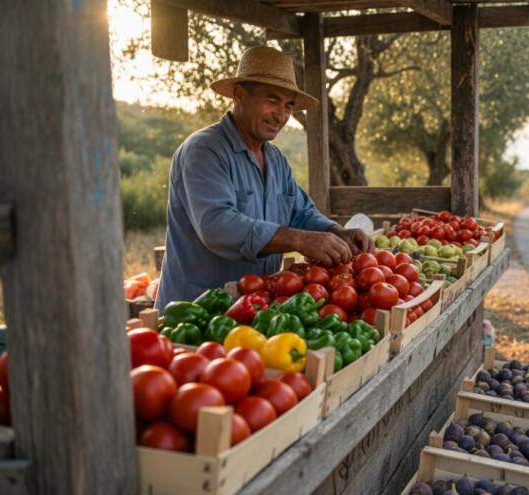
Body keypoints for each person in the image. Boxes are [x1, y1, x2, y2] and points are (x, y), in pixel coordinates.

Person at [155, 46, 372, 310]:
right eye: (272, 101)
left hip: (253, 308)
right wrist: (300, 240)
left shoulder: (276, 159)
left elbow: (301, 213)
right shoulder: (204, 151)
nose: (281, 115)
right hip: (196, 312)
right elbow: (217, 225)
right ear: (239, 96)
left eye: (288, 106)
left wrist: (336, 231)